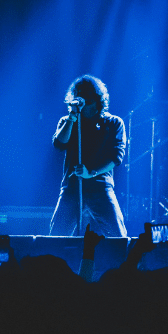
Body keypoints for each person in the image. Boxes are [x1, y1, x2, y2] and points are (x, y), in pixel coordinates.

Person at [49, 75, 127, 237]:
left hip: (100, 188)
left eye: (85, 96)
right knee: (56, 236)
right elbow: (59, 144)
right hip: (72, 188)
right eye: (77, 95)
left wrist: (90, 172)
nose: (81, 100)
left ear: (96, 99)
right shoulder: (67, 121)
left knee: (118, 236)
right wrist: (71, 118)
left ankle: (124, 262)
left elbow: (116, 157)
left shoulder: (113, 123)